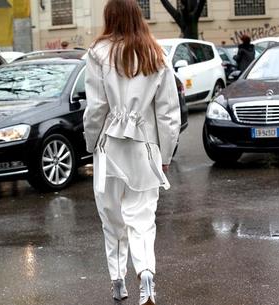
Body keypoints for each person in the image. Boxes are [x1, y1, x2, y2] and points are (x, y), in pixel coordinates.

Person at [83, 0, 180, 304]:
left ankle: (117, 281)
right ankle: (146, 274)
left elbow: (96, 108)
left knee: (111, 217)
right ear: (139, 17)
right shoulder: (157, 54)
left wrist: (90, 145)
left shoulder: (98, 53)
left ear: (109, 17)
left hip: (110, 146)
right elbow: (168, 114)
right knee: (142, 218)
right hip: (145, 148)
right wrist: (165, 157)